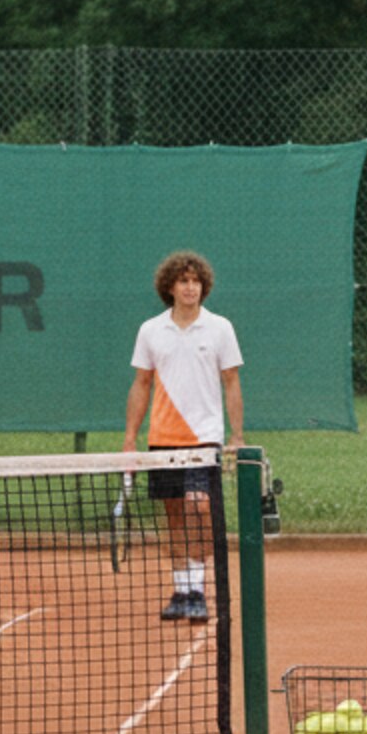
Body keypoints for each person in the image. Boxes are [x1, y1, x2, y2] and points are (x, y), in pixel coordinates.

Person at [124, 250, 243, 622]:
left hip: (204, 439)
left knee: (199, 506)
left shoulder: (220, 327)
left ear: (203, 287)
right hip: (162, 438)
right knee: (173, 516)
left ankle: (199, 584)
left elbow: (232, 383)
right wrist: (130, 437)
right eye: (183, 281)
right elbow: (141, 384)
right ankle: (182, 590)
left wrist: (237, 437)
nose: (190, 287)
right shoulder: (150, 330)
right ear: (170, 287)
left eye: (196, 281)